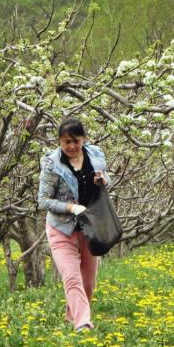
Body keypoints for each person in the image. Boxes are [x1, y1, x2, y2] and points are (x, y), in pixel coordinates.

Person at [38, 118, 110, 332]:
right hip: (62, 228)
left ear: (83, 139)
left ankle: (72, 316)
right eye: (66, 142)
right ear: (59, 141)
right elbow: (43, 200)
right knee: (71, 277)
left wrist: (103, 181)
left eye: (75, 141)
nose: (71, 146)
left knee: (88, 283)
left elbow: (107, 180)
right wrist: (71, 207)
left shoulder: (95, 155)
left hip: (90, 227)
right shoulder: (52, 163)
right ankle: (83, 324)